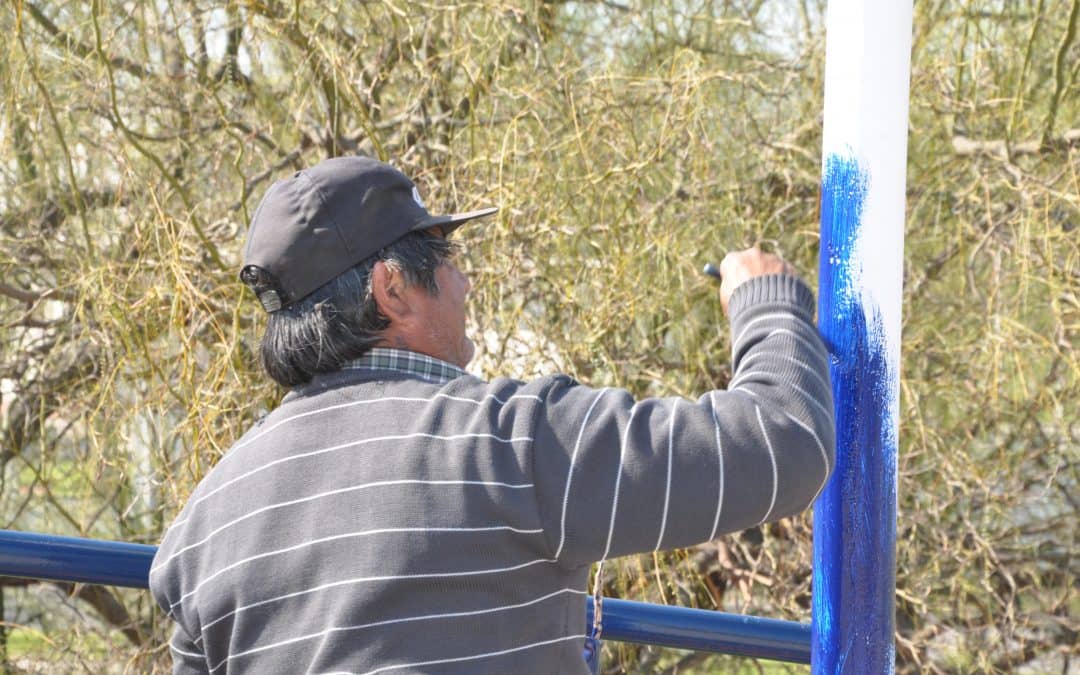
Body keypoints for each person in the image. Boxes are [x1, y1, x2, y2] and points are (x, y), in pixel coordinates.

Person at [149, 156, 834, 674]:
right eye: (446, 258)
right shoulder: (509, 441)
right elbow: (782, 443)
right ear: (393, 289)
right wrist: (766, 301)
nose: (465, 281)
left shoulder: (202, 529)